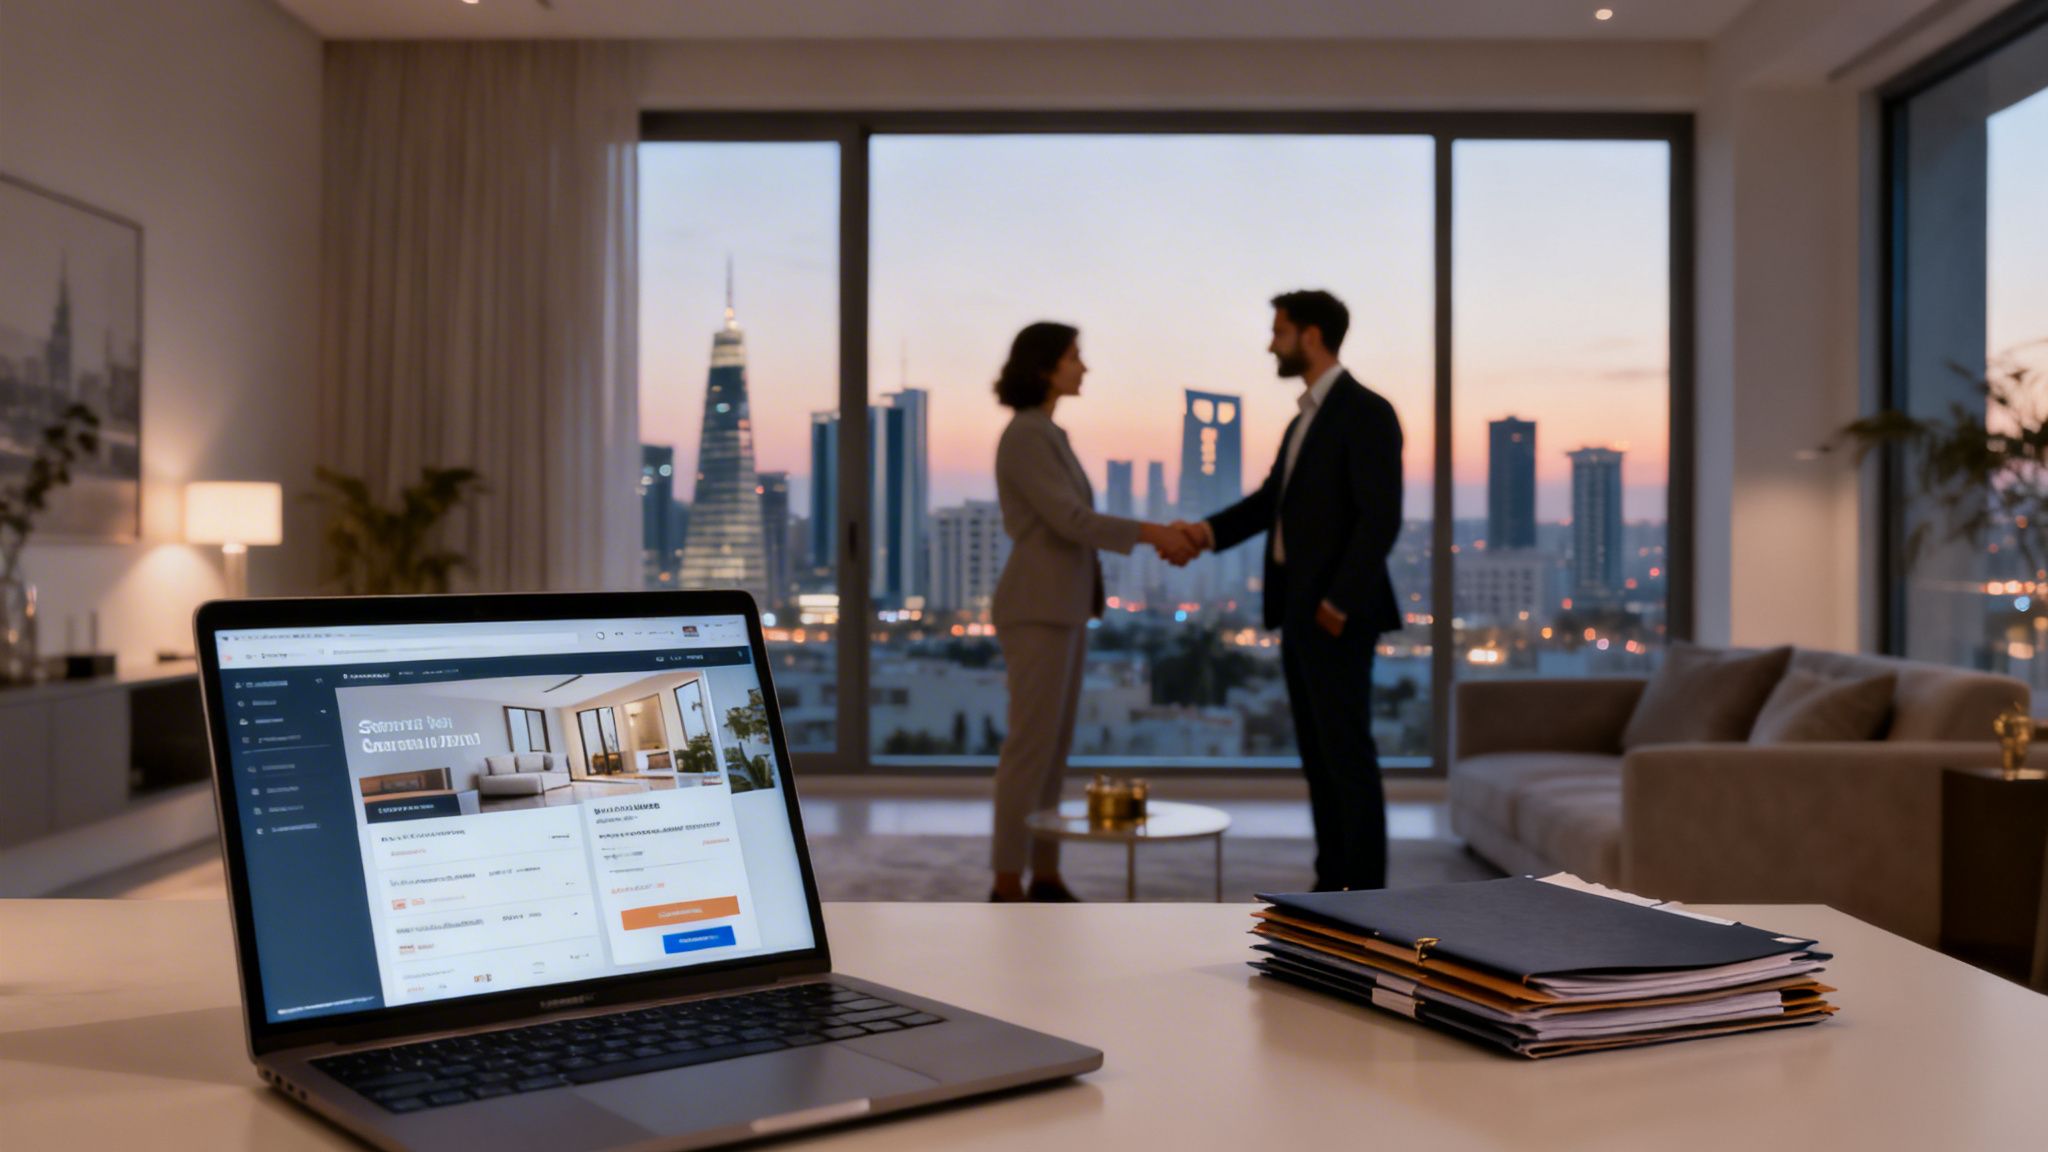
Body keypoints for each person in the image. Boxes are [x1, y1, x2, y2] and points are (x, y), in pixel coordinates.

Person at [1179, 290, 1404, 891]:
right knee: (1318, 756)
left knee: (1346, 756)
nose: (1269, 342)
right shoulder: (1303, 418)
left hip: (1335, 614)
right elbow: (1267, 506)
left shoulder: (1367, 411)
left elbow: (1380, 518)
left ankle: (1367, 892)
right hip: (1299, 610)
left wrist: (1337, 602)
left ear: (1311, 335)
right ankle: (1333, 883)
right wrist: (1204, 532)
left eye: (1278, 330)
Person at [989, 321, 1198, 903]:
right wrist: (1155, 531)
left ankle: (1046, 873)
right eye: (1074, 357)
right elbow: (1071, 521)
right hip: (1036, 607)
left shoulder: (1048, 433)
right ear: (1044, 368)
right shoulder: (1027, 435)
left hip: (1061, 607)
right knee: (1031, 748)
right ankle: (1009, 880)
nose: (1084, 367)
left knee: (1052, 749)